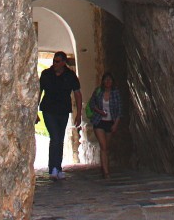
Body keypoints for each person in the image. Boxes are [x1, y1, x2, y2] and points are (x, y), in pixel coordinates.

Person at [39, 51, 82, 180]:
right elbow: (39, 92)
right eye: (54, 61)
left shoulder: (70, 75)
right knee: (55, 137)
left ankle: (57, 167)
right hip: (49, 110)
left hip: (63, 111)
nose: (55, 63)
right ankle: (53, 167)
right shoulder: (46, 74)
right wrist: (35, 112)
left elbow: (77, 94)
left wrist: (79, 113)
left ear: (63, 62)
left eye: (57, 61)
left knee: (59, 138)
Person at [88, 71, 122, 179]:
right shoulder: (98, 92)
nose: (108, 82)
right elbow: (92, 104)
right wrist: (99, 111)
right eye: (106, 80)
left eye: (110, 80)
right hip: (99, 121)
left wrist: (116, 124)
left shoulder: (115, 93)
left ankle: (104, 167)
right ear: (103, 81)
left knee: (106, 147)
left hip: (110, 122)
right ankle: (106, 172)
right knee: (103, 145)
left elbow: (119, 110)